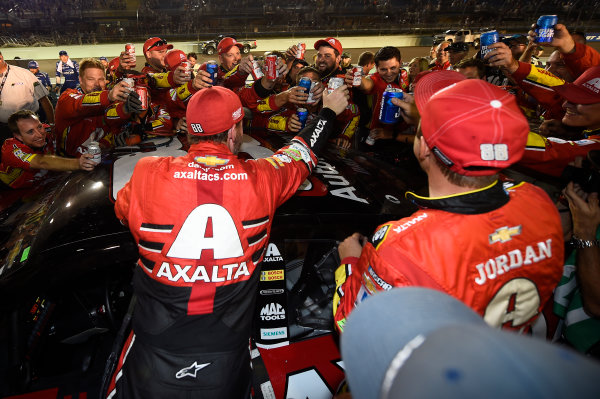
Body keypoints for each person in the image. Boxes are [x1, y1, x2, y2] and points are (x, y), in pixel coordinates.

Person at [108, 83, 350, 398]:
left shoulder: (148, 173)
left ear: (190, 133)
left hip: (153, 360)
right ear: (234, 133)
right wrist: (328, 112)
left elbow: (124, 214)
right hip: (227, 363)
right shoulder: (264, 177)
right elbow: (302, 153)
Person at [333, 71, 564, 334]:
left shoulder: (402, 247)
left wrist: (350, 264)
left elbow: (355, 330)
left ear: (422, 149)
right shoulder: (538, 202)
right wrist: (430, 121)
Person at [54, 58, 140, 157]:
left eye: (101, 79)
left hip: (100, 163)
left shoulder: (108, 101)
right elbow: (82, 103)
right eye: (91, 79)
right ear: (80, 80)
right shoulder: (66, 98)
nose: (97, 84)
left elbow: (113, 124)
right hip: (69, 166)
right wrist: (108, 96)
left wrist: (126, 109)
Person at [0, 110, 96, 189]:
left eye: (39, 126)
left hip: (43, 184)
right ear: (18, 136)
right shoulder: (11, 149)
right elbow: (41, 162)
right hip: (14, 193)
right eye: (30, 132)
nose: (39, 134)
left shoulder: (47, 130)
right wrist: (78, 163)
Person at [346, 46, 409, 143]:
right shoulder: (376, 79)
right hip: (375, 137)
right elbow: (367, 84)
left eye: (393, 68)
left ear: (400, 63)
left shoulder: (405, 75)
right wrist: (355, 78)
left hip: (402, 134)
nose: (389, 73)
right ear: (376, 67)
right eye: (383, 69)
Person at [0, 51, 54, 142]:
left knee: (32, 155)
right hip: (3, 130)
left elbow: (44, 100)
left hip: (29, 130)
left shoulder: (24, 74)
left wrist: (52, 125)